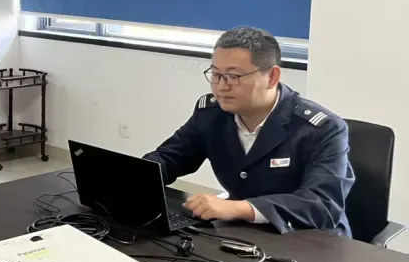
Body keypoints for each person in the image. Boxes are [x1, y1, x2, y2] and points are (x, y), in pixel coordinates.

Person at [144, 26, 354, 236]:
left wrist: (237, 208)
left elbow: (322, 204)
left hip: (312, 240)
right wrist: (135, 178)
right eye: (216, 74)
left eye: (233, 76)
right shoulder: (212, 114)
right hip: (245, 232)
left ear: (272, 77)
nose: (221, 86)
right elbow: (170, 158)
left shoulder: (320, 129)